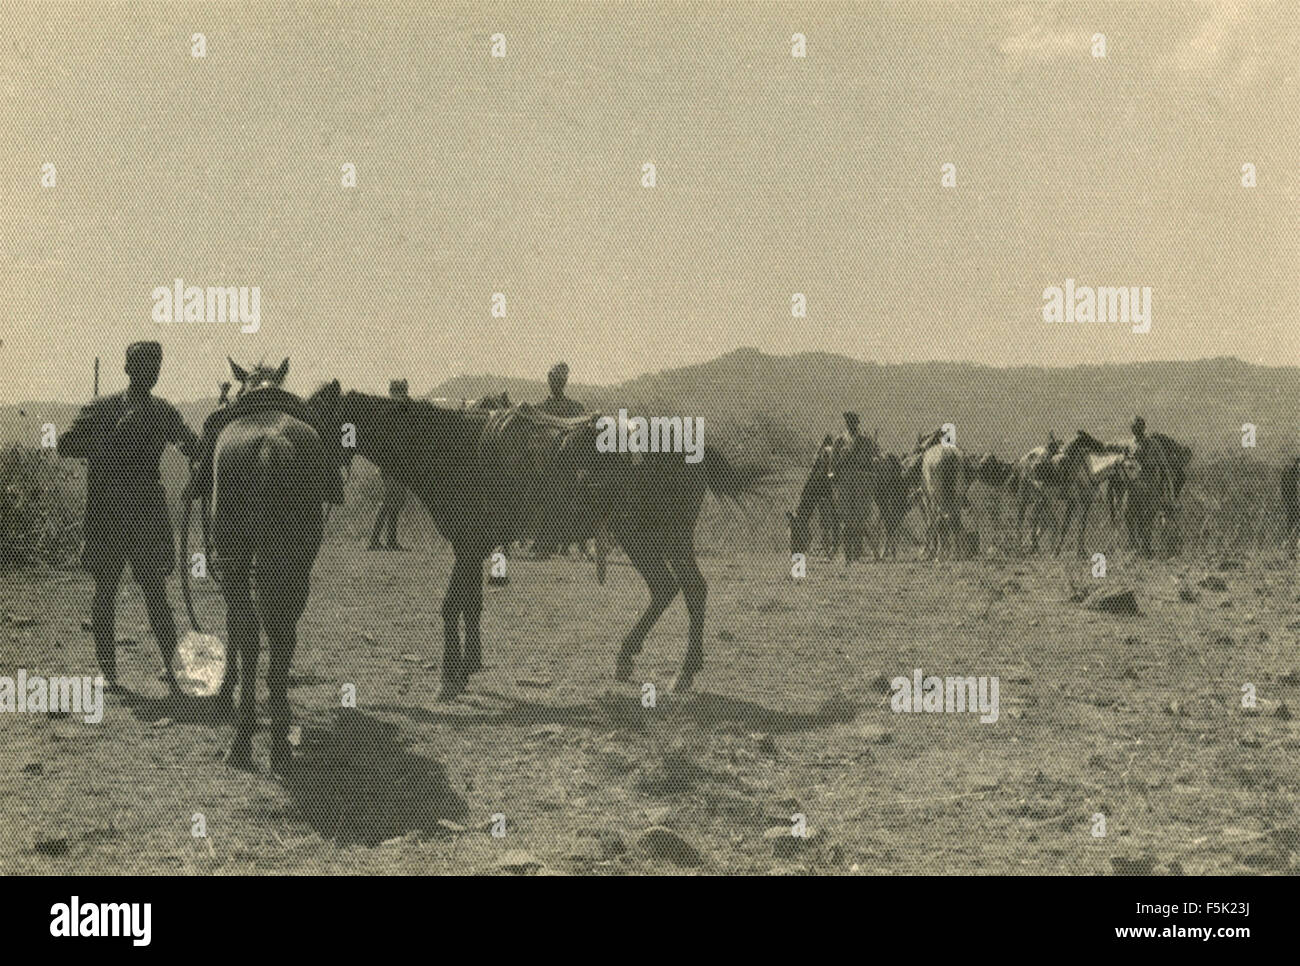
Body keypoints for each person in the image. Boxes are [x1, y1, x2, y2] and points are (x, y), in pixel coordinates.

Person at [57, 342, 200, 693]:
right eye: (144, 365)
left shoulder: (164, 412)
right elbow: (65, 444)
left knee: (156, 594)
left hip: (147, 517)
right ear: (128, 368)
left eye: (157, 365)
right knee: (105, 592)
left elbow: (191, 446)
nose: (152, 371)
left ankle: (174, 671)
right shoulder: (101, 408)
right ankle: (108, 675)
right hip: (107, 515)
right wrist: (105, 438)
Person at [369, 378, 410, 551]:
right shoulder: (388, 413)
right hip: (389, 463)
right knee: (390, 499)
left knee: (396, 499)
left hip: (397, 463)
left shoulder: (398, 412)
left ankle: (389, 540)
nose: (403, 395)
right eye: (400, 392)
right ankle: (375, 540)